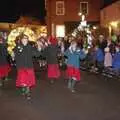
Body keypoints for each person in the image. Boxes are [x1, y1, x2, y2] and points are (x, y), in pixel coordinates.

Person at [13, 34, 41, 99]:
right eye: (24, 39)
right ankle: (23, 89)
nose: (25, 40)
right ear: (21, 40)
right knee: (23, 80)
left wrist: (39, 48)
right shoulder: (18, 47)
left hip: (29, 66)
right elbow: (15, 55)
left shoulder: (30, 47)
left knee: (28, 81)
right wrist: (13, 55)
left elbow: (37, 54)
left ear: (27, 40)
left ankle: (28, 93)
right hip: (21, 67)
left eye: (26, 39)